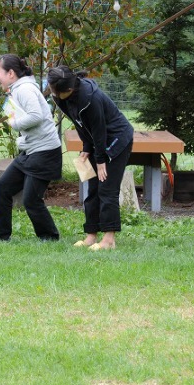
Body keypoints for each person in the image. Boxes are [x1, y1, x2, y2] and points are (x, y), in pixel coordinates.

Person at [0, 54, 63, 241]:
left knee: (31, 199)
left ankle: (49, 237)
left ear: (10, 73)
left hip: (45, 153)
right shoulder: (17, 89)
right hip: (31, 151)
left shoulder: (24, 89)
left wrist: (15, 124)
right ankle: (0, 234)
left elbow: (36, 116)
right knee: (3, 187)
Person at [47, 65, 134, 250]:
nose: (53, 93)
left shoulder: (90, 98)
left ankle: (109, 240)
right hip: (97, 141)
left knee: (107, 189)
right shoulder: (60, 96)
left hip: (116, 139)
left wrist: (101, 160)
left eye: (56, 91)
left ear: (69, 89)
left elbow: (99, 128)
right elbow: (80, 123)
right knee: (92, 189)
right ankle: (91, 236)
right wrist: (87, 147)